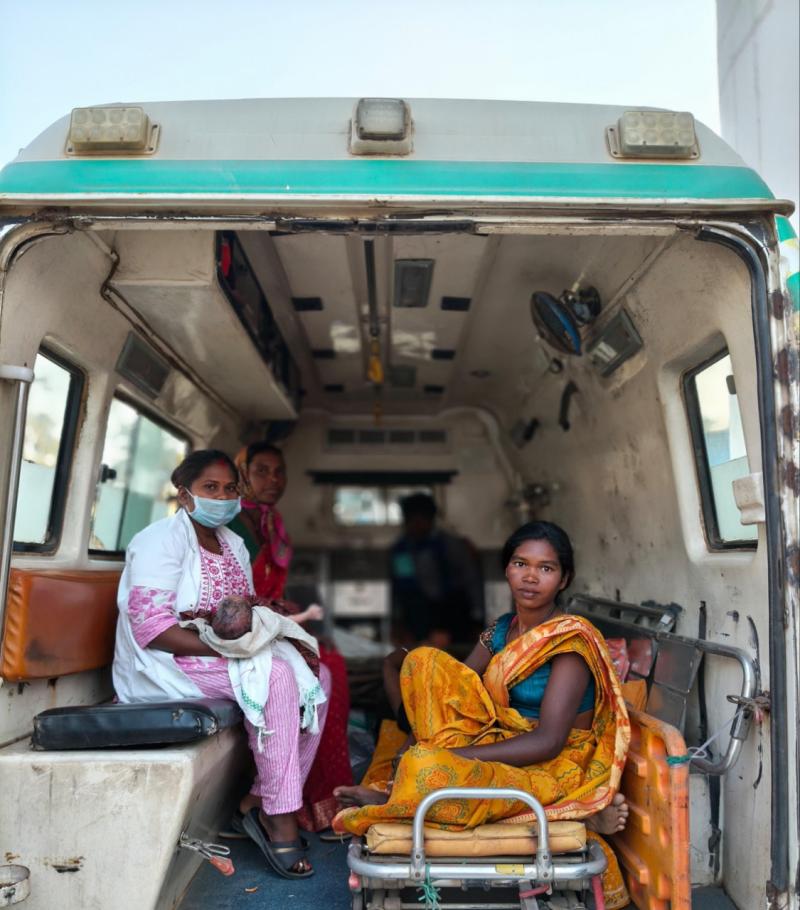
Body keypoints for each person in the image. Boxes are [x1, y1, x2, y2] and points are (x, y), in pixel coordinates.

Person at [334, 520, 631, 910]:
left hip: (550, 764)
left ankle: (574, 814)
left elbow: (548, 742)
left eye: (546, 568)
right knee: (423, 662)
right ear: (507, 569)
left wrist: (452, 756)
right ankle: (403, 782)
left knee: (428, 767)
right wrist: (419, 730)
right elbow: (455, 691)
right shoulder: (502, 630)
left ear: (564, 579)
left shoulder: (569, 643)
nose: (530, 577)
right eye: (521, 564)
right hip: (498, 741)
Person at [112, 449, 327, 879]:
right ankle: (280, 816)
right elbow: (152, 630)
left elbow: (237, 612)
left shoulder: (233, 544)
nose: (223, 497)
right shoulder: (159, 541)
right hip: (167, 662)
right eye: (210, 488)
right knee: (276, 677)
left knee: (316, 675)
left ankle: (259, 799)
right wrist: (235, 652)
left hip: (216, 651)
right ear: (184, 494)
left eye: (230, 489)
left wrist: (253, 636)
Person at [228, 442, 353, 835]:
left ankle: (301, 796)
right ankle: (284, 801)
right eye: (261, 471)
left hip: (268, 624)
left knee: (331, 661)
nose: (273, 480)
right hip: (239, 632)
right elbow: (233, 597)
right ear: (242, 474)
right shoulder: (232, 523)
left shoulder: (271, 522)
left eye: (279, 472)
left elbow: (271, 591)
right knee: (323, 668)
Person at [389, 493, 484, 647]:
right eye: (411, 521)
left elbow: (471, 581)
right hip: (419, 612)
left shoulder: (451, 545)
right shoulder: (402, 550)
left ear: (430, 520)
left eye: (420, 520)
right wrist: (398, 623)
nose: (416, 526)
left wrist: (478, 618)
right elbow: (401, 588)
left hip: (453, 609)